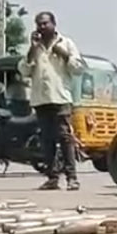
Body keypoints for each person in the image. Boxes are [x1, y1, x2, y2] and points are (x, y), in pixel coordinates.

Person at [18, 11, 84, 191]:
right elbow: (23, 70)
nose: (41, 27)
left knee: (65, 137)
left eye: (45, 23)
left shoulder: (66, 43)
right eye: (38, 24)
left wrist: (63, 54)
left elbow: (78, 69)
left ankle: (72, 178)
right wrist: (32, 48)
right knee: (47, 140)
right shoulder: (35, 48)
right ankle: (52, 178)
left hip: (60, 98)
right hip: (41, 99)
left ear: (54, 24)